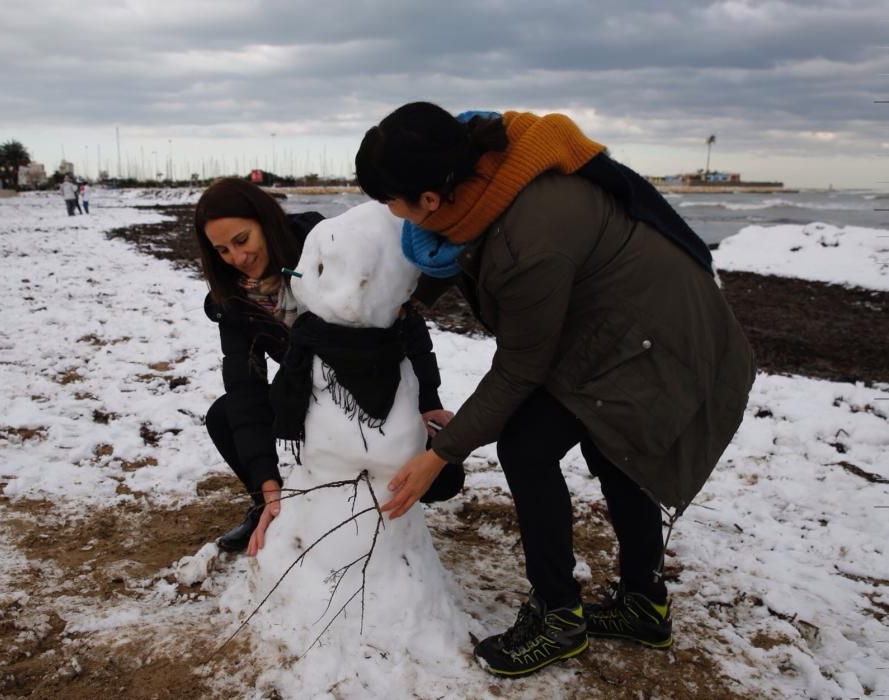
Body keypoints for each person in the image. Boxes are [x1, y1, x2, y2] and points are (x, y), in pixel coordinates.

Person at [355, 103, 755, 678]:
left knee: (528, 444)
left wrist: (440, 454)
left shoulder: (529, 238)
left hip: (658, 341)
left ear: (431, 201)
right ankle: (644, 603)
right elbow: (470, 258)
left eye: (390, 201)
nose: (389, 214)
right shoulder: (490, 172)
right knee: (607, 446)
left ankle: (558, 616)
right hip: (622, 325)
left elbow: (520, 367)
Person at [194, 177, 464, 555]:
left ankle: (382, 518)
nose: (237, 258)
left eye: (242, 240)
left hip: (371, 386)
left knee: (444, 480)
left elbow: (405, 322)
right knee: (226, 415)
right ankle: (270, 508)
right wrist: (267, 484)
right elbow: (246, 388)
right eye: (222, 250)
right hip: (307, 394)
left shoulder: (324, 249)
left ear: (265, 222)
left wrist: (427, 401)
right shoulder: (236, 301)